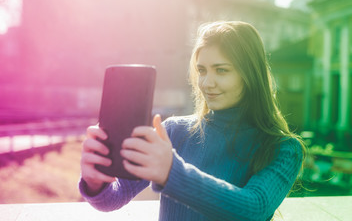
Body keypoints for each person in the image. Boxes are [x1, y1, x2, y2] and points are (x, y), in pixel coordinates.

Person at [79, 21, 306, 221]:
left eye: (221, 70)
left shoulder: (285, 149)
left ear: (250, 75)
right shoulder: (174, 131)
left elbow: (253, 209)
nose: (207, 83)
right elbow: (114, 198)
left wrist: (171, 172)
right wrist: (96, 182)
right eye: (202, 70)